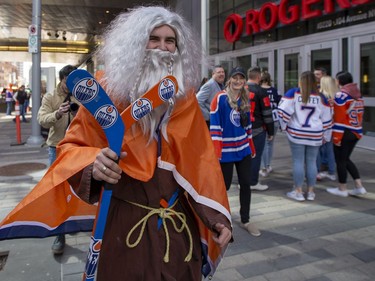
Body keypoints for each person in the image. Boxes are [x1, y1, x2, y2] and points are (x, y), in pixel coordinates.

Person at [57, 7, 232, 280]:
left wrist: (215, 218)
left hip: (177, 230)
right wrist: (94, 164)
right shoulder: (105, 90)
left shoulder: (185, 98)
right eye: (154, 38)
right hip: (123, 228)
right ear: (136, 43)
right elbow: (70, 149)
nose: (163, 48)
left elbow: (202, 163)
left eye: (170, 40)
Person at [210, 66, 259, 236]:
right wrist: (216, 152)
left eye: (241, 78)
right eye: (235, 78)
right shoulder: (220, 98)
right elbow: (215, 127)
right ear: (229, 80)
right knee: (224, 186)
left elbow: (248, 126)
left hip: (243, 149)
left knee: (246, 183)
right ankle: (220, 220)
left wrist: (251, 145)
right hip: (226, 151)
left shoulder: (245, 98)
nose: (238, 81)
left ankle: (246, 219)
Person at [37, 64, 79, 255]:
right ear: (61, 80)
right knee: (57, 192)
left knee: (78, 189)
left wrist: (80, 114)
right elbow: (41, 119)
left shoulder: (80, 95)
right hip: (56, 147)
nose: (70, 86)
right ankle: (59, 235)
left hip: (77, 148)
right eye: (67, 82)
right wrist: (58, 113)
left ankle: (73, 221)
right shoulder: (50, 97)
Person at [278, 71, 332, 201]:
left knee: (298, 162)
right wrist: (326, 135)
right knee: (311, 162)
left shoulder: (293, 93)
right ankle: (311, 192)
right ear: (315, 82)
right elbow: (327, 119)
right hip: (315, 134)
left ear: (300, 81)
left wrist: (284, 126)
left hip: (297, 133)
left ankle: (298, 191)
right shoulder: (321, 97)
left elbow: (282, 111)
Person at [326, 71, 367, 197]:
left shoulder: (341, 95)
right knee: (346, 159)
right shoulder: (357, 95)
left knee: (340, 161)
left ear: (338, 81)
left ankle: (342, 188)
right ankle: (359, 186)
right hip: (356, 131)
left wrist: (337, 137)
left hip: (344, 131)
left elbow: (339, 118)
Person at [246, 66, 274, 191]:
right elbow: (267, 113)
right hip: (257, 129)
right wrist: (271, 131)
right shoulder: (261, 92)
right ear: (258, 77)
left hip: (240, 129)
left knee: (243, 156)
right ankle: (252, 182)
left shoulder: (238, 89)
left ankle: (243, 181)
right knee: (255, 156)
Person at [259, 71, 281, 177]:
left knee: (263, 144)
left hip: (263, 120)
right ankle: (268, 165)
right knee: (270, 143)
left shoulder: (259, 90)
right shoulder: (274, 90)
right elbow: (279, 103)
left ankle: (264, 167)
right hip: (275, 119)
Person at [316, 76, 338, 181]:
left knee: (318, 149)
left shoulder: (321, 97)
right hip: (334, 126)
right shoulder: (337, 95)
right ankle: (332, 172)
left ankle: (318, 171)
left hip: (323, 126)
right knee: (330, 150)